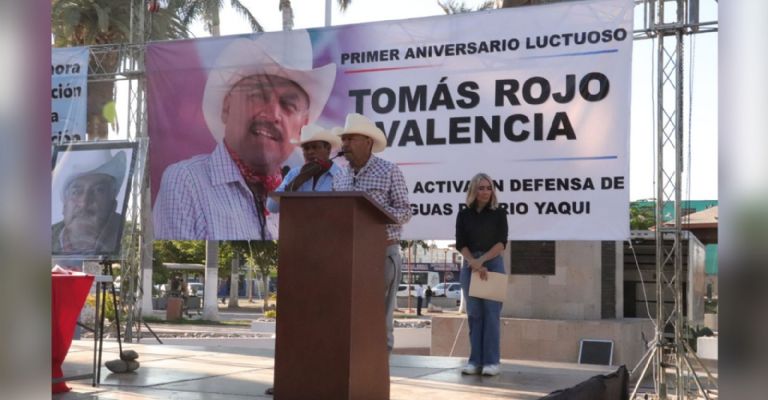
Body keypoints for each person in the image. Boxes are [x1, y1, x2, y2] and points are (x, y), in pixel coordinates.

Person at [153, 31, 337, 240]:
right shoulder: (186, 182)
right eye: (258, 95)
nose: (273, 114)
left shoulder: (300, 196)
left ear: (301, 127)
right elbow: (171, 266)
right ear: (227, 106)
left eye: (288, 105)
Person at [333, 112, 412, 352]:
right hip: (349, 255)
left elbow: (405, 212)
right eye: (343, 140)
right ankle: (355, 368)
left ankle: (380, 373)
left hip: (382, 252)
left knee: (379, 317)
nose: (344, 144)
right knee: (349, 314)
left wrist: (374, 210)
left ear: (368, 142)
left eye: (350, 139)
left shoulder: (389, 171)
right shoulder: (340, 175)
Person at [455, 172, 508, 377]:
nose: (485, 192)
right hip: (471, 266)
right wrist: (475, 264)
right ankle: (475, 361)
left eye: (488, 188)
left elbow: (501, 243)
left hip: (492, 264)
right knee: (475, 316)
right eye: (481, 188)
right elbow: (461, 244)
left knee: (491, 316)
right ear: (473, 190)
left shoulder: (499, 213)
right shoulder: (464, 214)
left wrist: (482, 261)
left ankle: (492, 362)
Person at [52, 150, 127, 254]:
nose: (84, 203)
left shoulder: (129, 238)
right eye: (76, 192)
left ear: (112, 201)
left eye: (98, 190)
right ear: (65, 203)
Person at [266, 124, 343, 213]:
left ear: (328, 149)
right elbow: (272, 207)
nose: (310, 152)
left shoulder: (341, 175)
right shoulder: (294, 173)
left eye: (315, 147)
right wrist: (298, 181)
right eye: (306, 148)